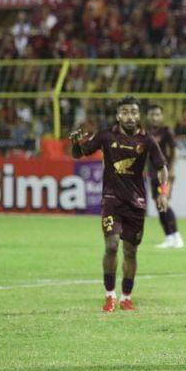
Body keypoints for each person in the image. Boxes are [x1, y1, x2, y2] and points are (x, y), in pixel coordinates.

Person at [70, 97, 169, 312]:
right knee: (112, 245)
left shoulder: (147, 140)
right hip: (111, 200)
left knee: (131, 252)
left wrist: (162, 193)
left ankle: (126, 297)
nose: (130, 116)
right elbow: (79, 154)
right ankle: (109, 295)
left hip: (136, 203)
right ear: (118, 116)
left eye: (133, 112)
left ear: (138, 115)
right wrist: (75, 142)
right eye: (125, 112)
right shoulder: (106, 136)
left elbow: (162, 167)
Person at [146, 104, 182, 250]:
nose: (155, 117)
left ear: (162, 116)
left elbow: (175, 151)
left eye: (157, 114)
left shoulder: (166, 131)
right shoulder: (145, 132)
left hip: (164, 173)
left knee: (164, 202)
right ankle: (169, 237)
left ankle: (177, 236)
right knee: (158, 205)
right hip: (152, 173)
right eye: (152, 114)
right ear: (148, 116)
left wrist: (172, 169)